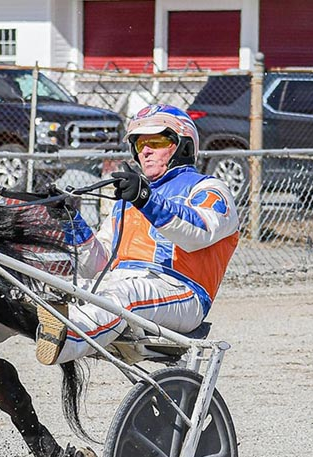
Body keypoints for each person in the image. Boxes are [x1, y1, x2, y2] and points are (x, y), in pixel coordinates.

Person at [35, 104, 240, 365]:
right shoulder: (127, 200)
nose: (145, 150)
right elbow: (96, 264)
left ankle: (67, 340)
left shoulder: (209, 188)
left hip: (182, 293)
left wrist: (145, 199)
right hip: (119, 283)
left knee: (126, 294)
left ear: (184, 147)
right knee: (47, 286)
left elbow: (199, 232)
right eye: (140, 142)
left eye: (157, 140)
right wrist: (70, 221)